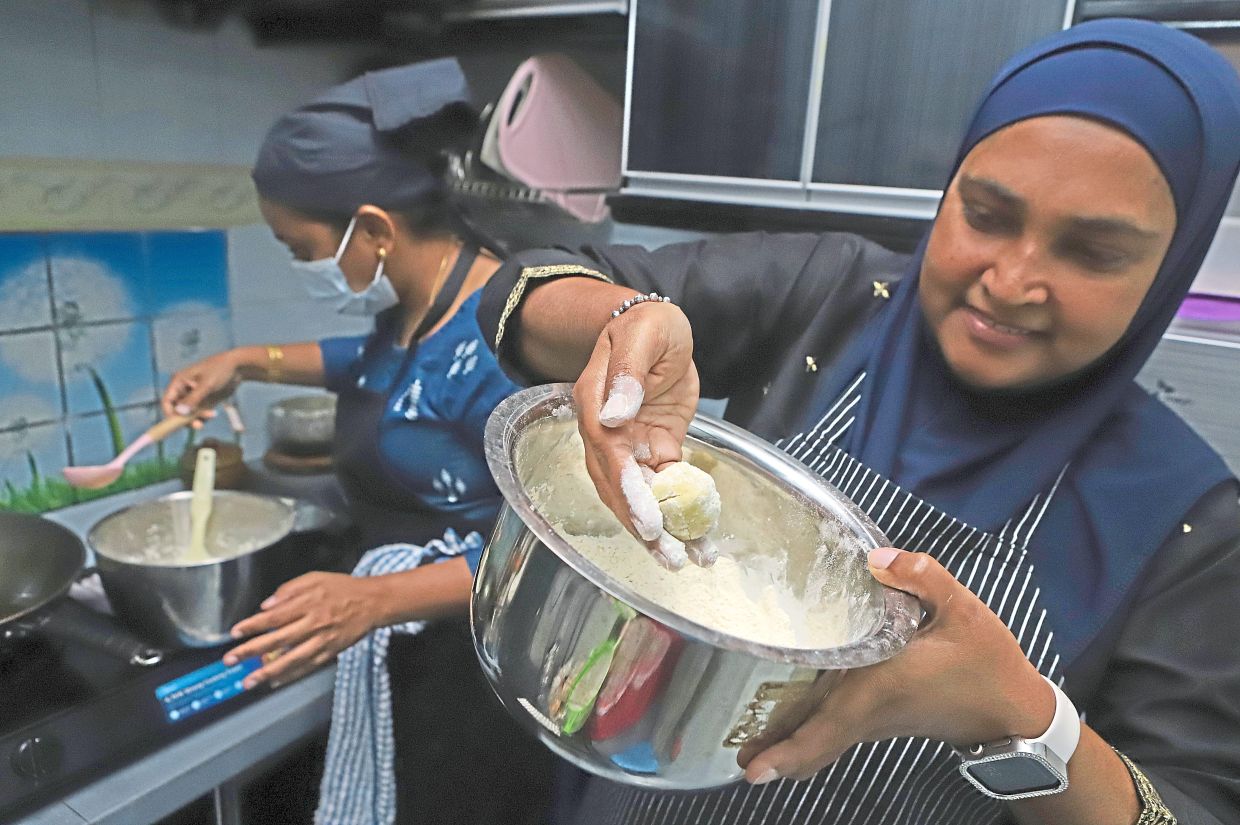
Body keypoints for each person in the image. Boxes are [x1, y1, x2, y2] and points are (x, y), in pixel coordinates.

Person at [474, 19, 1240, 825]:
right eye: (984, 214)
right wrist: (624, 323)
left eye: (1092, 252)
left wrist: (1026, 721)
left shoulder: (1188, 525)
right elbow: (523, 287)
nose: (1012, 281)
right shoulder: (832, 299)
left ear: (1171, 266)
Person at [161, 58, 553, 825]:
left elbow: (550, 555)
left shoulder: (505, 343)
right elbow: (385, 369)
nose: (305, 266)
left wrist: (373, 599)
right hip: (412, 639)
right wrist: (248, 362)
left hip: (479, 672)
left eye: (302, 250)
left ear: (373, 229)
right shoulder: (418, 302)